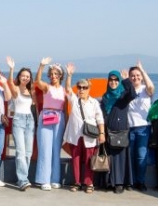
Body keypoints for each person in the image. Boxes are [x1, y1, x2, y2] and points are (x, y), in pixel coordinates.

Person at [63, 64, 105, 194]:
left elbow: (100, 119)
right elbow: (68, 89)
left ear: (89, 89)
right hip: (75, 135)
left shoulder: (94, 103)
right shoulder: (75, 100)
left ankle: (89, 183)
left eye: (84, 87)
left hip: (89, 136)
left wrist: (102, 133)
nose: (81, 90)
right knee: (75, 159)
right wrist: (69, 75)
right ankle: (77, 182)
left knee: (88, 160)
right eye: (80, 87)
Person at [100, 70, 137, 193]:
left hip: (120, 132)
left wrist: (127, 80)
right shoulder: (105, 97)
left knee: (120, 157)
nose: (113, 82)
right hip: (108, 131)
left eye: (116, 80)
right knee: (109, 157)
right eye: (111, 80)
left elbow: (133, 94)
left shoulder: (123, 95)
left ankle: (120, 183)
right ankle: (110, 182)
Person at [34, 57, 67, 191]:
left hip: (60, 118)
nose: (53, 76)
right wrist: (41, 65)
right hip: (47, 117)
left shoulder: (64, 90)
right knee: (45, 149)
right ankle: (44, 180)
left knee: (55, 150)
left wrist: (67, 123)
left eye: (56, 74)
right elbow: (37, 81)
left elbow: (65, 108)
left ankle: (55, 179)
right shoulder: (46, 87)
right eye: (51, 74)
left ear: (60, 76)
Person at [6, 56, 35, 191]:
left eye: (27, 76)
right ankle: (22, 179)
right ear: (19, 77)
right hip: (18, 120)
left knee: (28, 152)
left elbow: (34, 106)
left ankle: (24, 178)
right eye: (23, 75)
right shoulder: (16, 89)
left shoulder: (31, 91)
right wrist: (11, 69)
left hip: (30, 120)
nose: (25, 78)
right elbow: (10, 83)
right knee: (20, 151)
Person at [127, 60, 155, 191]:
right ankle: (131, 181)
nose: (135, 77)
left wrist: (142, 71)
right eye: (132, 75)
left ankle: (141, 181)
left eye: (137, 75)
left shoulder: (145, 89)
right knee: (131, 155)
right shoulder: (127, 90)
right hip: (129, 127)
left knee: (141, 156)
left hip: (144, 127)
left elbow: (151, 88)